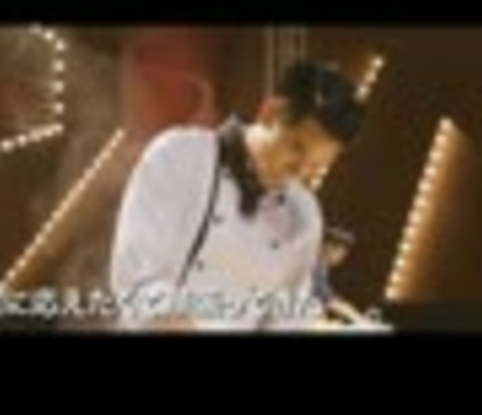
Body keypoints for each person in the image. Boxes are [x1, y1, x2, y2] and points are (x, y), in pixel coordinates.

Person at [108, 59, 366, 331]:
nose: (299, 172)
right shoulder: (179, 156)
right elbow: (139, 277)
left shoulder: (305, 214)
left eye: (315, 165)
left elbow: (287, 319)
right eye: (296, 148)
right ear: (269, 112)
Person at [313, 227, 369, 324]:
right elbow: (328, 299)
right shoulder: (315, 265)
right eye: (341, 253)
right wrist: (358, 318)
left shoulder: (321, 266)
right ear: (329, 246)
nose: (342, 258)